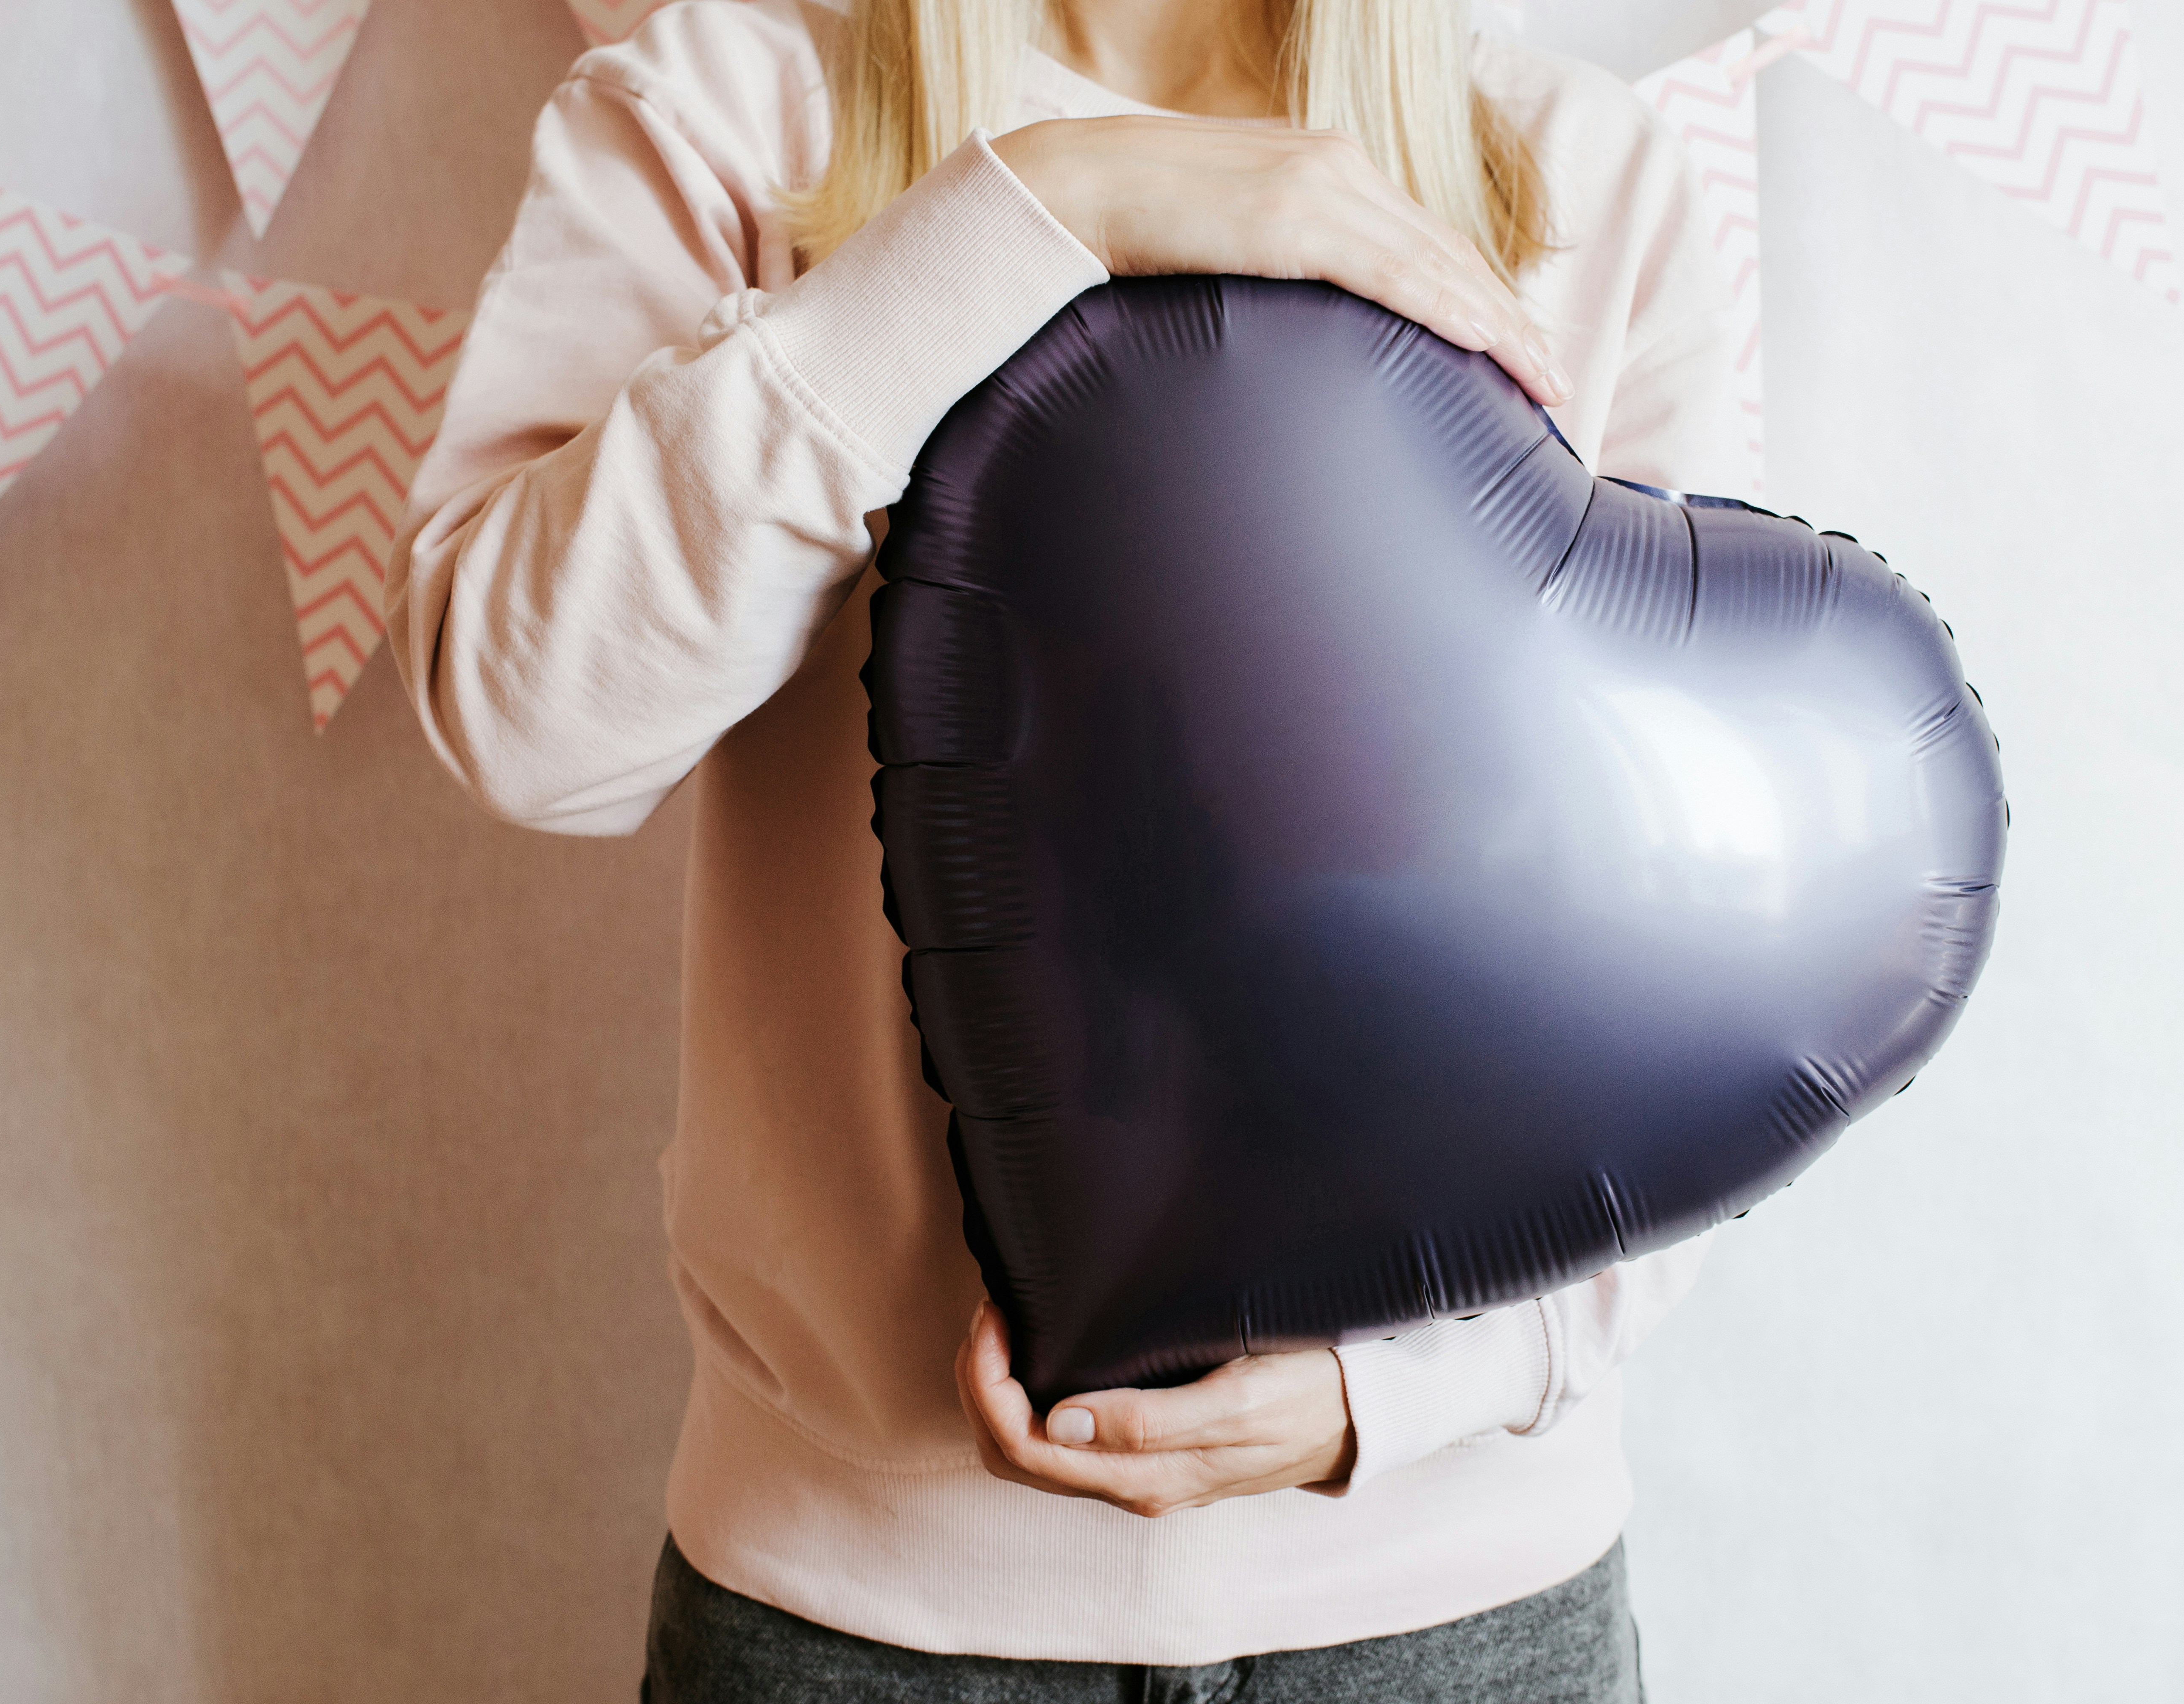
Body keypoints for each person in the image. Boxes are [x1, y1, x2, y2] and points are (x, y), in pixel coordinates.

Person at [386, 0, 1738, 1695]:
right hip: (862, 1621)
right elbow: (527, 721)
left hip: (1457, 1607)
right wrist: (1034, 212)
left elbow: (1715, 975)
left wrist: (1395, 1389)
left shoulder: (1573, 181)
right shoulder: (725, 116)